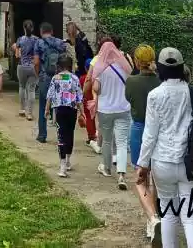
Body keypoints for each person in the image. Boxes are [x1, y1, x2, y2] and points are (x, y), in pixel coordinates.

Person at [136, 47, 193, 248]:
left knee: (168, 215)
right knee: (190, 218)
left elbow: (150, 134)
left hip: (163, 162)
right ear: (181, 67)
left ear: (159, 68)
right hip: (192, 163)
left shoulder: (155, 95)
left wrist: (142, 164)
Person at [124, 44, 162, 242]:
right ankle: (154, 216)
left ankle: (152, 218)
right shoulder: (161, 81)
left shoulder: (131, 81)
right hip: (159, 131)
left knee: (140, 176)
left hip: (139, 128)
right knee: (155, 176)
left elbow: (129, 99)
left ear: (137, 61)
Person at [88, 39, 132, 190]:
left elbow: (96, 88)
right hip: (123, 108)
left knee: (106, 141)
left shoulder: (101, 68)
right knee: (121, 142)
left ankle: (106, 168)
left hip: (105, 109)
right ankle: (121, 174)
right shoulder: (124, 66)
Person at [46, 55, 83, 178]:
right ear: (70, 65)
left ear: (59, 66)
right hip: (71, 109)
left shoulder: (55, 78)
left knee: (61, 136)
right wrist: (82, 112)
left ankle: (62, 166)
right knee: (70, 134)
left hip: (59, 109)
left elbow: (50, 95)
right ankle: (67, 160)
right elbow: (79, 97)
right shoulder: (74, 78)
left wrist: (47, 110)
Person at [34, 22, 70, 143]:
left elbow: (36, 62)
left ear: (41, 31)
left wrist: (38, 74)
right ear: (52, 31)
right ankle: (62, 136)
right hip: (60, 78)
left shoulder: (38, 43)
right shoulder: (60, 43)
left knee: (43, 106)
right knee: (61, 106)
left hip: (45, 77)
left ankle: (42, 135)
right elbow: (66, 61)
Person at [13, 20, 39, 119]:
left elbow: (17, 55)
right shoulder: (37, 40)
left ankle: (22, 109)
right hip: (33, 67)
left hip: (22, 66)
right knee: (31, 90)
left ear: (24, 28)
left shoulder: (20, 40)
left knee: (22, 87)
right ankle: (29, 113)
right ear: (32, 28)